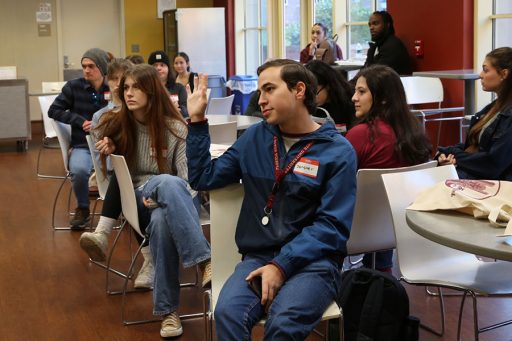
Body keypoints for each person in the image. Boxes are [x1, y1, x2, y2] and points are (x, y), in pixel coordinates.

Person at [186, 59, 357, 340]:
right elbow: (204, 177)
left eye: (269, 89)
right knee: (227, 313)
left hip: (314, 264)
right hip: (259, 257)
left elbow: (332, 226)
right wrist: (197, 120)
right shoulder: (255, 138)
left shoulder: (338, 151)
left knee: (283, 325)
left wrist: (282, 265)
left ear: (299, 90)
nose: (260, 100)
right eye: (260, 91)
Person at [86, 64, 211, 338]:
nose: (128, 93)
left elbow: (189, 182)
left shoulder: (176, 128)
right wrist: (111, 145)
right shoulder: (118, 125)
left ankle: (168, 313)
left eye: (136, 88)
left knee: (163, 214)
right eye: (126, 88)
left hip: (174, 204)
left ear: (152, 92)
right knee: (164, 184)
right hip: (137, 204)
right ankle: (203, 259)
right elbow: (98, 142)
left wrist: (164, 199)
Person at [346, 65, 431, 271]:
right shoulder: (414, 133)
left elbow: (336, 180)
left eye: (362, 91)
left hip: (355, 230)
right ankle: (381, 277)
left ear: (382, 98)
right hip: (405, 226)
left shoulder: (360, 135)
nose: (354, 98)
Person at [48, 48, 110, 229]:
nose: (86, 70)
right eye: (84, 66)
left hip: (109, 144)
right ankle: (83, 209)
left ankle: (121, 210)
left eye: (91, 66)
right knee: (79, 170)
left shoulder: (112, 87)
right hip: (83, 144)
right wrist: (78, 120)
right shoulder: (73, 87)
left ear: (102, 67)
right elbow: (54, 110)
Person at [436, 47, 512, 180]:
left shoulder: (508, 114)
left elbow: (492, 163)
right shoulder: (493, 108)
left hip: (495, 184)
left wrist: (454, 154)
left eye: (486, 70)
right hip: (476, 174)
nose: (481, 75)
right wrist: (446, 155)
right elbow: (472, 146)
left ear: (504, 74)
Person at [305, 59, 356, 133]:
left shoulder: (349, 103)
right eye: (307, 93)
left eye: (315, 93)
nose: (311, 99)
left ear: (327, 86)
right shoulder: (305, 105)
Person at [363, 11, 412, 75]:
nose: (371, 28)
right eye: (370, 25)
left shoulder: (393, 46)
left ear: (387, 25)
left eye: (375, 23)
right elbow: (364, 71)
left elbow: (374, 75)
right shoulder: (377, 46)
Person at [148, 50, 189, 118]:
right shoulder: (145, 88)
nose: (158, 68)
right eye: (155, 65)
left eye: (162, 65)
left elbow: (186, 111)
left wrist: (178, 109)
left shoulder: (179, 88)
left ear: (168, 68)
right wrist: (169, 108)